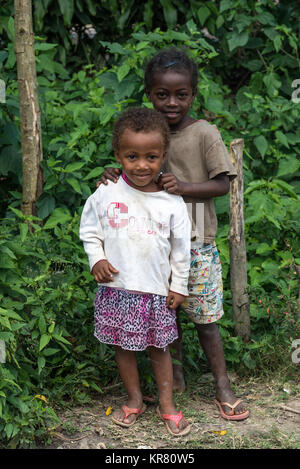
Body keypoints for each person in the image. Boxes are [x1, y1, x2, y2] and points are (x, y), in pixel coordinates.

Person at [98, 48, 250, 421]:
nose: (171, 102)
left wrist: (181, 186)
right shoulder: (148, 134)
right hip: (154, 248)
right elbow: (132, 169)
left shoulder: (204, 133)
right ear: (149, 94)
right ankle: (175, 378)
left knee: (206, 319)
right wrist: (110, 177)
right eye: (162, 94)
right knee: (167, 317)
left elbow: (221, 184)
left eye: (181, 94)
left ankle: (222, 385)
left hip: (197, 244)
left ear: (193, 95)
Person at [80, 107, 192, 436]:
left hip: (157, 292)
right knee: (124, 349)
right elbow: (90, 230)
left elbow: (181, 249)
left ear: (164, 155)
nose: (142, 165)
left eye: (151, 157)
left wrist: (180, 285)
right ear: (118, 155)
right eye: (132, 156)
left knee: (160, 349)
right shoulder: (107, 192)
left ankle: (168, 405)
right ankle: (134, 400)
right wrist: (96, 259)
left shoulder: (172, 202)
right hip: (118, 288)